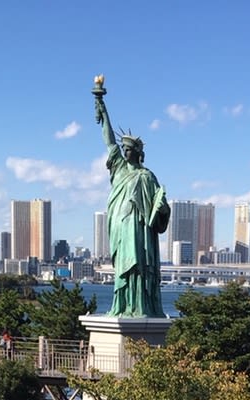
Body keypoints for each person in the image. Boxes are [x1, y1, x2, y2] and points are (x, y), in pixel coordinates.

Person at [94, 79, 170, 318]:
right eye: (124, 149)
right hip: (120, 223)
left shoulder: (147, 176)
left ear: (137, 152)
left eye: (129, 149)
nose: (125, 152)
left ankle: (140, 306)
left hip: (139, 227)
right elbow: (108, 139)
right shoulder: (117, 167)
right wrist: (101, 104)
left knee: (139, 264)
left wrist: (163, 208)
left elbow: (159, 207)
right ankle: (124, 304)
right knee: (124, 266)